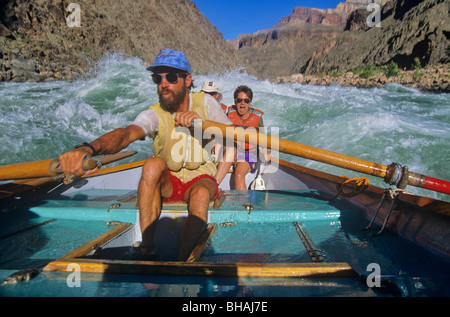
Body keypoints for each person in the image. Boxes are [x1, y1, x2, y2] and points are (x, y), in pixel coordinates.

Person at [58, 49, 232, 261]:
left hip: (201, 179)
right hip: (170, 181)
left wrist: (201, 123)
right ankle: (147, 249)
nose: (163, 83)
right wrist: (88, 149)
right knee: (151, 164)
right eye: (157, 78)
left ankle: (182, 262)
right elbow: (126, 134)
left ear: (188, 80)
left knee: (202, 195)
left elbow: (232, 137)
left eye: (170, 77)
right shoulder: (155, 113)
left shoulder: (206, 103)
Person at [215, 85, 269, 190]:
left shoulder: (257, 118)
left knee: (239, 174)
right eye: (239, 100)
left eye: (246, 100)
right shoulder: (228, 114)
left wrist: (266, 152)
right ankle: (214, 187)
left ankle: (243, 204)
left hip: (249, 152)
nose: (242, 103)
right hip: (232, 149)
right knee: (230, 148)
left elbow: (263, 139)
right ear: (235, 102)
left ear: (250, 103)